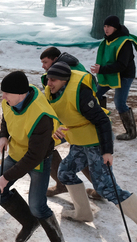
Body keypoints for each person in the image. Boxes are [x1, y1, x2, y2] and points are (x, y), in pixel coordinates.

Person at [45, 62, 137, 242]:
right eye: (48, 78)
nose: (49, 82)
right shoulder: (52, 91)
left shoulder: (80, 94)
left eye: (53, 79)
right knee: (65, 172)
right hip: (79, 141)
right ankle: (83, 212)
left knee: (105, 187)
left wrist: (107, 151)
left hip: (95, 142)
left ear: (64, 80)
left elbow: (102, 121)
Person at [0, 71, 67, 242]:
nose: (3, 97)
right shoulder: (9, 102)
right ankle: (29, 222)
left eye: (7, 93)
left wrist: (7, 176)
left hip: (38, 160)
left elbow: (34, 156)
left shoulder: (41, 116)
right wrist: (3, 135)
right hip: (16, 153)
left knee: (38, 206)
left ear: (21, 94)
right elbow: (6, 119)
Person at [39, 47, 101, 200]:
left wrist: (55, 126)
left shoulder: (66, 72)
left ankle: (62, 185)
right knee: (80, 151)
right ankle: (99, 188)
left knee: (45, 145)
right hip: (80, 122)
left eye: (45, 62)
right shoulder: (70, 67)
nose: (43, 66)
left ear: (54, 59)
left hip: (75, 122)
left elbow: (66, 102)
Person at [90, 15, 137, 141]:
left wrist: (101, 69)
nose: (106, 29)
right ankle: (101, 124)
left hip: (124, 75)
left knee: (119, 103)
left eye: (109, 26)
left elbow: (122, 65)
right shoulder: (108, 40)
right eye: (105, 26)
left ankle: (131, 132)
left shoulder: (125, 43)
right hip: (110, 74)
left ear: (115, 27)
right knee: (94, 94)